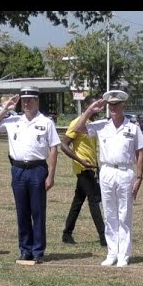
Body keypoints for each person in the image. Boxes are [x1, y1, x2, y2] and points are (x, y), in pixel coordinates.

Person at [0, 86, 61, 264]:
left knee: (38, 211)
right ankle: (25, 249)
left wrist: (51, 175)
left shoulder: (46, 122)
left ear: (37, 101)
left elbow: (53, 149)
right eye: (24, 101)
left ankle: (38, 251)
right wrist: (6, 108)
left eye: (30, 100)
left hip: (37, 169)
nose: (27, 104)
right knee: (22, 212)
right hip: (18, 170)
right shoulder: (13, 120)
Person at [74, 90, 143, 267]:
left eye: (116, 104)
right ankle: (112, 252)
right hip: (106, 171)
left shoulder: (133, 127)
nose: (113, 108)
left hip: (125, 171)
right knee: (109, 214)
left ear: (123, 105)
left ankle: (124, 254)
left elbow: (140, 153)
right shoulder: (101, 125)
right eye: (110, 105)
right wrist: (90, 110)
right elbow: (78, 129)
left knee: (124, 214)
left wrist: (139, 177)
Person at [60, 95, 106, 246]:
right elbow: (64, 145)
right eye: (94, 106)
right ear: (86, 107)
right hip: (83, 168)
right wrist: (80, 160)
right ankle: (104, 237)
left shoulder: (93, 124)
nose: (97, 109)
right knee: (94, 200)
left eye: (98, 107)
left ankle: (67, 233)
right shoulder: (77, 123)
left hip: (91, 167)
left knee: (78, 200)